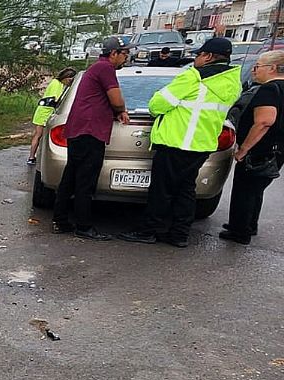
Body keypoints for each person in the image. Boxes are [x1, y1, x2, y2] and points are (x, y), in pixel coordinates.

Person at [119, 38, 242, 247]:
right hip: (201, 145)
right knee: (186, 191)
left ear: (209, 56)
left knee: (162, 191)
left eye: (199, 55)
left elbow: (157, 105)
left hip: (177, 142)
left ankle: (148, 231)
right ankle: (179, 234)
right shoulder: (233, 83)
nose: (196, 59)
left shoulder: (194, 78)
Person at [52, 37, 132, 240]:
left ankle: (61, 220)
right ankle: (84, 226)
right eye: (124, 54)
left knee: (71, 177)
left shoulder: (95, 69)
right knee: (85, 181)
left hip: (80, 130)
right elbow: (116, 99)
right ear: (113, 53)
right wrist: (121, 110)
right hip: (90, 132)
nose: (126, 58)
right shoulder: (105, 69)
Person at [221, 50, 284, 244]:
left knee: (245, 191)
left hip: (261, 150)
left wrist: (244, 149)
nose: (254, 71)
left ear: (272, 68)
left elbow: (264, 121)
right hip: (277, 149)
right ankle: (249, 224)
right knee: (256, 190)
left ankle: (239, 231)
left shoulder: (269, 89)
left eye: (258, 66)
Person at [27, 67, 77, 165]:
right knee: (38, 135)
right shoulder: (56, 84)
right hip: (44, 112)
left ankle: (39, 156)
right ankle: (31, 157)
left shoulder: (60, 85)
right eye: (70, 80)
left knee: (44, 137)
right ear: (66, 77)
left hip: (48, 112)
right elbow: (55, 99)